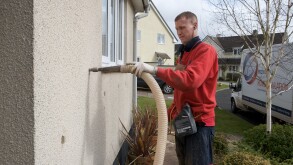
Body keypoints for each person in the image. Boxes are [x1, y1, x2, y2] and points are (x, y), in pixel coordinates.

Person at [132, 11, 218, 165]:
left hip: (200, 125)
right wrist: (165, 118)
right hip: (184, 122)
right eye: (177, 29)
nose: (179, 33)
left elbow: (190, 80)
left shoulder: (206, 51)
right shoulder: (184, 54)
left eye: (183, 28)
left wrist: (154, 70)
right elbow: (180, 93)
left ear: (195, 25)